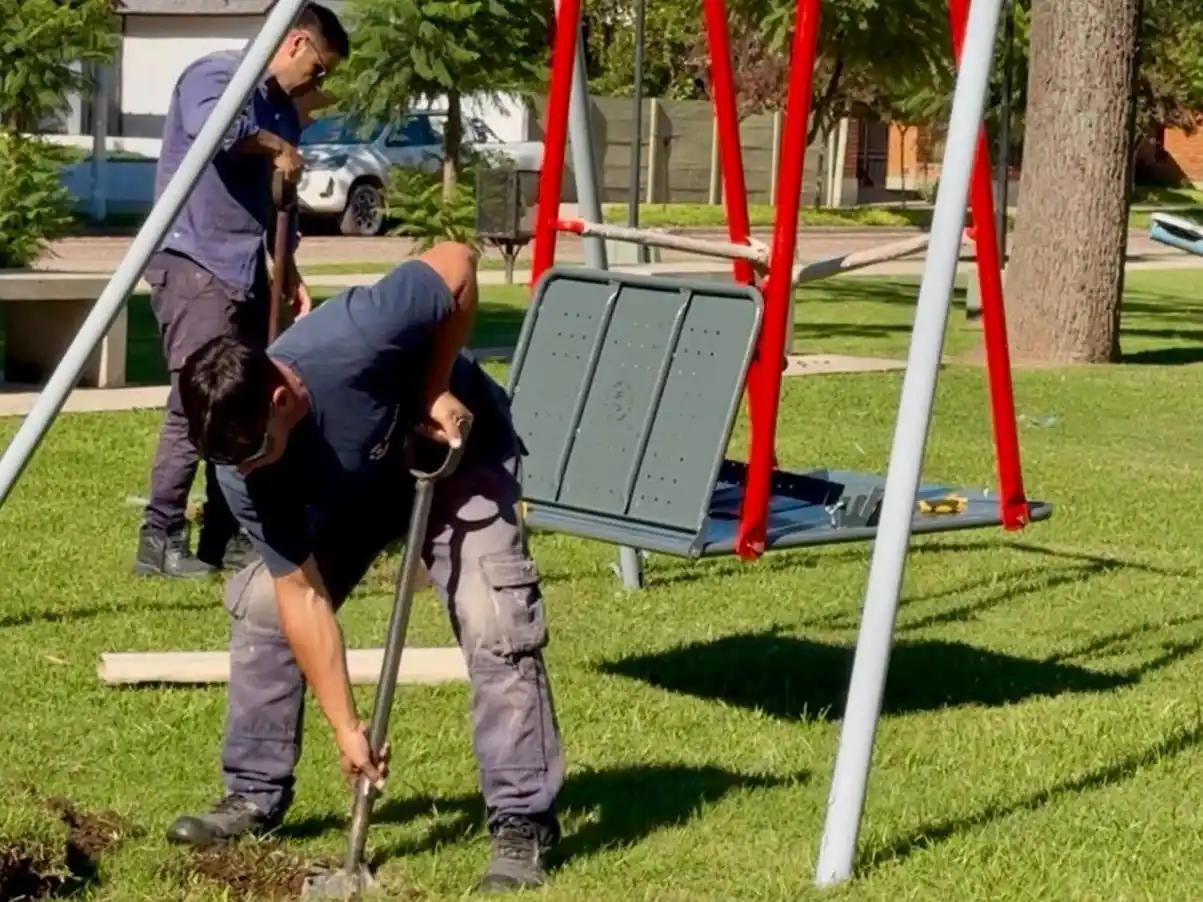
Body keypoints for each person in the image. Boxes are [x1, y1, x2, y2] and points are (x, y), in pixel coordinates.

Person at [163, 243, 564, 894]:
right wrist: (346, 727)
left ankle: (522, 822)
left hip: (455, 456)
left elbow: (457, 264)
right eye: (233, 462)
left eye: (257, 451)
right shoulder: (242, 467)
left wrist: (433, 386)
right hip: (353, 494)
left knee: (494, 614)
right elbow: (302, 596)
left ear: (281, 396)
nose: (247, 470)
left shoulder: (356, 334)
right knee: (263, 606)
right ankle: (253, 794)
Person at [134, 2, 349, 580]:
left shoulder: (280, 108)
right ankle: (160, 536)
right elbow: (216, 131)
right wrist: (277, 146)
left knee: (246, 401)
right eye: (319, 70)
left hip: (246, 268)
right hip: (194, 263)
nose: (316, 84)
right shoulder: (217, 74)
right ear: (296, 42)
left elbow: (279, 205)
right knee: (196, 401)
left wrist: (290, 269)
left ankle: (224, 535)